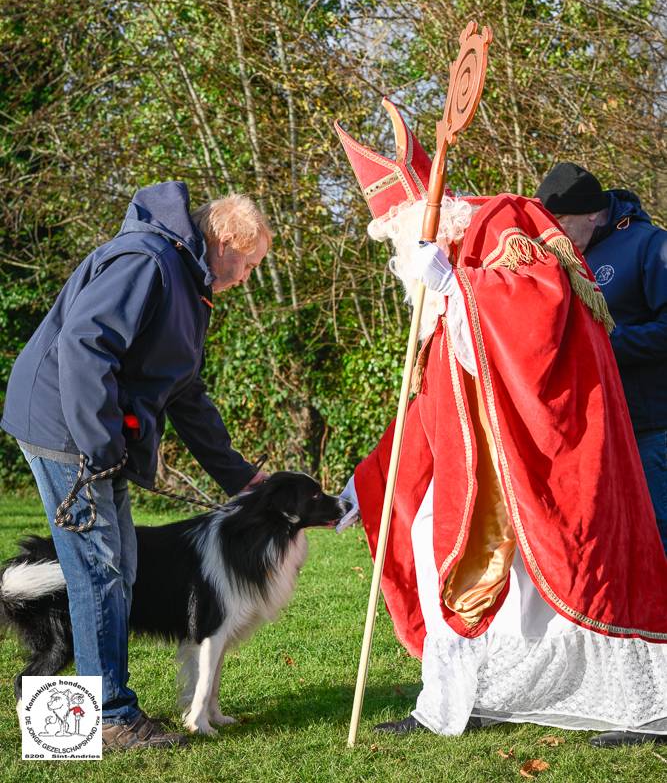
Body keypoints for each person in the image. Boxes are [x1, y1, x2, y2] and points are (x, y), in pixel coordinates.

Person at [335, 109, 667, 748]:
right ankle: (460, 696)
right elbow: (428, 402)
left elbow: (541, 304)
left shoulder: (504, 221)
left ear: (425, 218)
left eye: (399, 238)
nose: (401, 256)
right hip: (480, 455)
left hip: (545, 440)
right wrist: (371, 476)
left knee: (576, 559)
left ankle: (638, 704)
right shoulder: (435, 273)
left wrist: (457, 286)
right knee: (436, 538)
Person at [1, 181, 270, 751]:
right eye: (248, 264)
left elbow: (185, 392)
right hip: (65, 427)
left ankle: (97, 711)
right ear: (223, 240)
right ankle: (110, 717)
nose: (247, 278)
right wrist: (100, 444)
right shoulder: (148, 262)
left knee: (119, 568)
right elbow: (84, 345)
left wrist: (239, 477)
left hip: (92, 435)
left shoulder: (188, 286)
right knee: (98, 569)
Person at [536, 162, 667, 551]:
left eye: (560, 220)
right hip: (594, 431)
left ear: (593, 211)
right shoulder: (565, 257)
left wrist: (606, 345)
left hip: (653, 427)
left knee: (660, 533)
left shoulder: (651, 246)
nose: (552, 233)